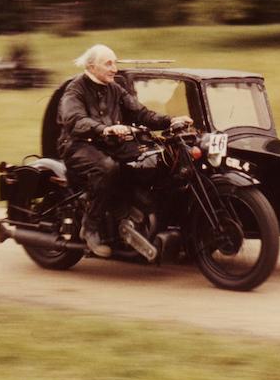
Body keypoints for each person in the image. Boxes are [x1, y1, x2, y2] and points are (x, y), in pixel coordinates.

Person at [57, 44, 192, 257]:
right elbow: (75, 121)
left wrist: (170, 121)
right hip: (78, 145)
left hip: (107, 143)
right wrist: (104, 128)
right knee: (107, 168)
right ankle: (90, 226)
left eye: (115, 63)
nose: (114, 69)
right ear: (92, 67)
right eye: (108, 63)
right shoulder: (75, 89)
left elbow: (141, 113)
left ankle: (134, 210)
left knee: (151, 159)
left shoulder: (115, 89)